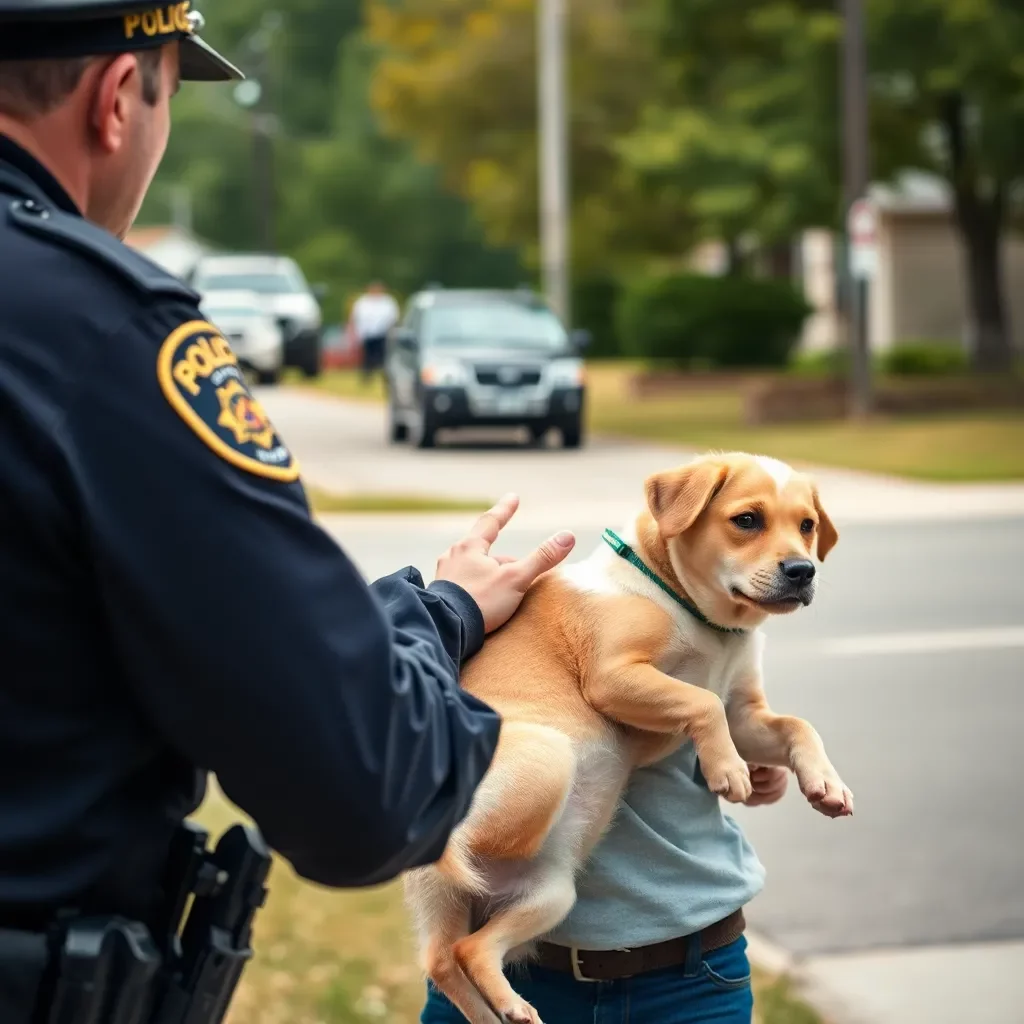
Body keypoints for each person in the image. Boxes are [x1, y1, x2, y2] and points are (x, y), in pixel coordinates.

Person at [0, 1, 575, 1018]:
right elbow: (363, 788)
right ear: (119, 98)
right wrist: (459, 659)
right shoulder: (97, 333)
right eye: (170, 93)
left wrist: (432, 612)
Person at [421, 761, 790, 1024]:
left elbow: (735, 712)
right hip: (498, 976)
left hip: (687, 979)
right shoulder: (458, 647)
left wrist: (756, 757)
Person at [351, 279, 400, 384]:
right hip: (367, 334)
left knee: (384, 358)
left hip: (383, 334)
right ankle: (366, 378)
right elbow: (355, 318)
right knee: (367, 358)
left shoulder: (388, 302)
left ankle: (386, 379)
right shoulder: (363, 302)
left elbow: (393, 318)